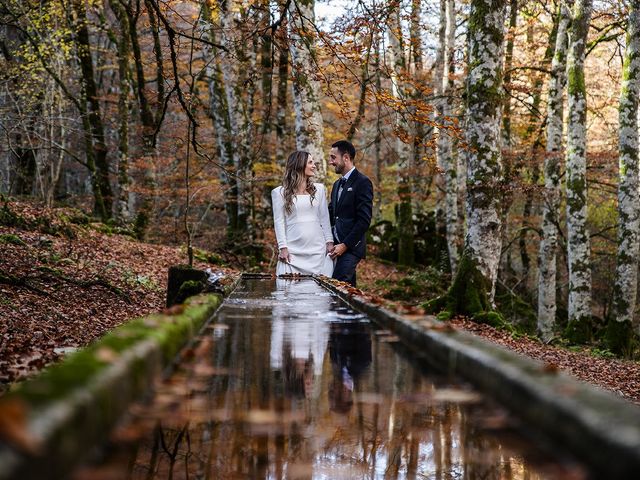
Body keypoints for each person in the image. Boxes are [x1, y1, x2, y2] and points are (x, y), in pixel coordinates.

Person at [272, 151, 334, 276]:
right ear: (299, 165)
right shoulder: (279, 193)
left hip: (317, 250)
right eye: (310, 162)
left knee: (319, 291)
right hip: (292, 251)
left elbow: (324, 218)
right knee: (290, 290)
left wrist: (329, 242)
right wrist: (282, 247)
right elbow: (279, 222)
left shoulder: (319, 190)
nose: (314, 166)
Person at [328, 140, 374, 286]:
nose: (330, 162)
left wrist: (345, 245)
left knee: (338, 284)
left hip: (351, 247)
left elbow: (364, 220)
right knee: (348, 290)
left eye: (333, 157)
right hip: (335, 247)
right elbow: (331, 213)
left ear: (346, 157)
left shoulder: (363, 182)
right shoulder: (336, 185)